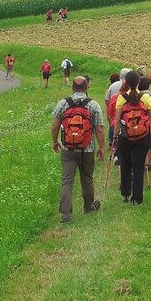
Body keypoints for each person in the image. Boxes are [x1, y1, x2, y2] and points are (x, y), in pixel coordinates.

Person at [52, 76, 105, 223]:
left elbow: (55, 126)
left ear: (72, 88)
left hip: (67, 148)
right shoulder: (93, 105)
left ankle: (66, 215)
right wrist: (102, 147)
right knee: (87, 179)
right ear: (87, 87)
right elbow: (99, 129)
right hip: (87, 149)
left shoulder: (63, 103)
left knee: (67, 181)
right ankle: (88, 207)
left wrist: (55, 141)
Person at [114, 70, 151, 205]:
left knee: (125, 165)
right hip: (142, 136)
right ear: (139, 82)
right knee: (139, 167)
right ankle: (137, 198)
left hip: (125, 136)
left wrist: (115, 136)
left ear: (125, 82)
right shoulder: (145, 97)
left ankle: (125, 194)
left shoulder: (121, 98)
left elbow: (117, 120)